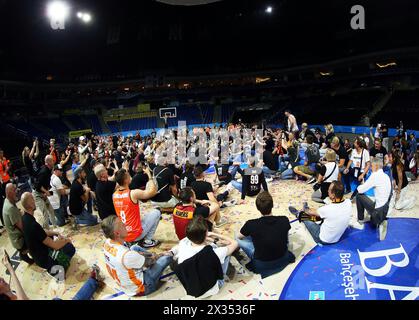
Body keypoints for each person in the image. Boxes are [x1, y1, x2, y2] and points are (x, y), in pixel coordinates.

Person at [101, 215, 173, 297]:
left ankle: (145, 260)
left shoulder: (107, 242)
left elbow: (132, 256)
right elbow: (150, 261)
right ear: (117, 233)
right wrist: (159, 255)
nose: (125, 224)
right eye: (122, 224)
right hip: (143, 288)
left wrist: (143, 256)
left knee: (134, 247)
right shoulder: (126, 255)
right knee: (167, 258)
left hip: (126, 284)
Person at [171, 216, 238, 298]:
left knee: (217, 250)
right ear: (206, 233)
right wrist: (214, 234)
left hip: (192, 287)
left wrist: (210, 239)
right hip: (212, 288)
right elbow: (234, 243)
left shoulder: (183, 243)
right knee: (226, 254)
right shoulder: (213, 253)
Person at [236, 192, 295, 277]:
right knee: (282, 231)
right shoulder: (284, 220)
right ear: (272, 205)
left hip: (262, 264)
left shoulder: (251, 224)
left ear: (257, 208)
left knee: (237, 236)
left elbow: (239, 236)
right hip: (283, 257)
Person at [1, 253, 104, 300]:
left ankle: (93, 281)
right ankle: (93, 280)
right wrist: (10, 269)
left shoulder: (8, 293)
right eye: (0, 281)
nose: (2, 279)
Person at [21, 192, 76, 278]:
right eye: (32, 199)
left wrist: (56, 233)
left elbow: (42, 232)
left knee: (52, 237)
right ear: (30, 204)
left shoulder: (25, 218)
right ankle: (55, 270)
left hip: (37, 254)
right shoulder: (32, 224)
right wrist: (66, 240)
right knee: (70, 248)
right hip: (44, 257)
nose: (34, 201)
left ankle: (54, 266)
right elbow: (55, 246)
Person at [289, 181, 352, 245]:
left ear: (333, 195)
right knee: (320, 217)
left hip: (323, 239)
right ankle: (305, 210)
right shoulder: (348, 202)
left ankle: (298, 214)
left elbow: (312, 212)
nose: (327, 191)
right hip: (336, 238)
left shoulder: (328, 209)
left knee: (307, 218)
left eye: (329, 190)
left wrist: (306, 210)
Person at [113, 167, 161, 248]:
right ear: (125, 180)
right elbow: (152, 192)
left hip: (123, 235)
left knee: (142, 215)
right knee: (157, 212)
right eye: (128, 175)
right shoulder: (133, 193)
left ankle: (130, 242)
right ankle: (147, 241)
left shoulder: (114, 195)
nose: (130, 176)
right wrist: (149, 175)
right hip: (135, 235)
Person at [352, 157, 392, 241]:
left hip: (378, 212)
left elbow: (360, 189)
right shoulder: (386, 176)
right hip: (386, 209)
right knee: (374, 201)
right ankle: (381, 220)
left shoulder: (375, 175)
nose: (370, 168)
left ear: (376, 166)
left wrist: (361, 184)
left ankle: (361, 220)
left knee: (359, 196)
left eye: (371, 166)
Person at [2, 183, 34, 264]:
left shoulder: (8, 201)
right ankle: (24, 252)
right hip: (18, 240)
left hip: (14, 237)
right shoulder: (10, 208)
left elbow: (17, 212)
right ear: (9, 193)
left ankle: (24, 253)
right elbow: (22, 227)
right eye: (15, 190)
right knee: (34, 236)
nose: (17, 191)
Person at [33, 155, 56, 229]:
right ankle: (46, 231)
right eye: (52, 160)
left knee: (51, 210)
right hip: (37, 194)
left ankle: (55, 227)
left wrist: (46, 192)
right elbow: (38, 186)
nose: (54, 161)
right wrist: (46, 192)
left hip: (43, 192)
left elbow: (46, 183)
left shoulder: (49, 170)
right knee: (45, 213)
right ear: (48, 162)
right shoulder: (44, 171)